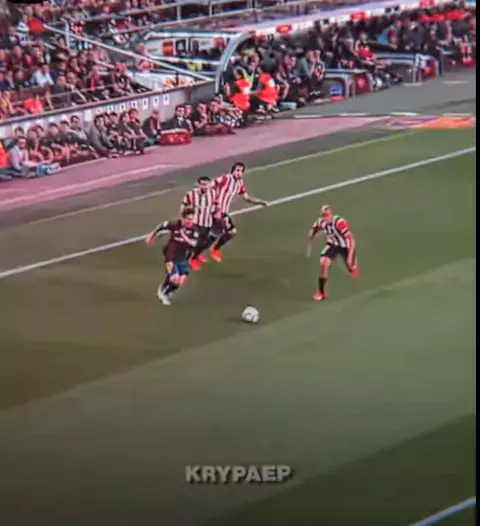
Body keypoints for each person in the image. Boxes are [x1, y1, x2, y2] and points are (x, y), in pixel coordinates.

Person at [210, 162, 268, 263]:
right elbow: (211, 185)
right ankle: (208, 251)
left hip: (223, 212)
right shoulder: (225, 178)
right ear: (232, 171)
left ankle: (211, 250)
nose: (239, 173)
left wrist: (260, 202)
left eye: (241, 171)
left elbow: (246, 198)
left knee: (227, 232)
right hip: (214, 210)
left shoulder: (240, 184)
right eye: (237, 170)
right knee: (214, 232)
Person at [145, 207, 200, 306]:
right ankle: (163, 292)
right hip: (170, 257)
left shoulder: (195, 230)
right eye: (188, 219)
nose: (190, 221)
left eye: (192, 219)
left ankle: (169, 290)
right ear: (183, 218)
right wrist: (151, 236)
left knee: (182, 279)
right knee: (174, 277)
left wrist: (184, 236)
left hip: (183, 258)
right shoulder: (175, 225)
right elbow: (162, 226)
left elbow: (194, 243)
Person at [305, 205, 359, 301]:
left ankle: (353, 265)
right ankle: (321, 293)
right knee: (324, 262)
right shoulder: (321, 222)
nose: (326, 218)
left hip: (345, 245)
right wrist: (312, 234)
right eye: (324, 216)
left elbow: (351, 239)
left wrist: (350, 257)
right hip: (333, 244)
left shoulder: (339, 222)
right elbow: (314, 228)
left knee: (350, 267)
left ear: (331, 214)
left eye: (327, 215)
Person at [181, 176, 219, 272]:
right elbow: (183, 206)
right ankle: (191, 259)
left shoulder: (213, 193)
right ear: (198, 185)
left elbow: (216, 205)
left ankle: (197, 254)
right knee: (197, 242)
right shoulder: (191, 194)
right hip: (195, 223)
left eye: (206, 185)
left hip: (208, 222)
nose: (204, 187)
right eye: (202, 184)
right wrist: (184, 219)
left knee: (209, 240)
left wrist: (217, 214)